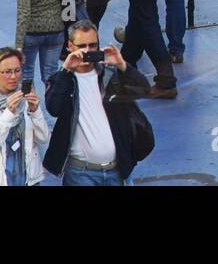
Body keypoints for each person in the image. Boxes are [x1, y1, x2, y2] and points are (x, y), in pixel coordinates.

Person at [43, 21, 151, 186]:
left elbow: (143, 89)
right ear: (70, 46)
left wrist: (122, 65)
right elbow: (54, 108)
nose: (88, 50)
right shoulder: (61, 80)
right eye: (81, 46)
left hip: (117, 170)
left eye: (92, 45)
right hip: (80, 174)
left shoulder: (112, 76)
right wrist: (66, 70)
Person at [0, 47, 47, 186]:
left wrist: (35, 111)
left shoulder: (26, 99)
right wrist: (9, 113)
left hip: (29, 180)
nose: (13, 77)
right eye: (7, 72)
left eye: (17, 70)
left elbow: (44, 138)